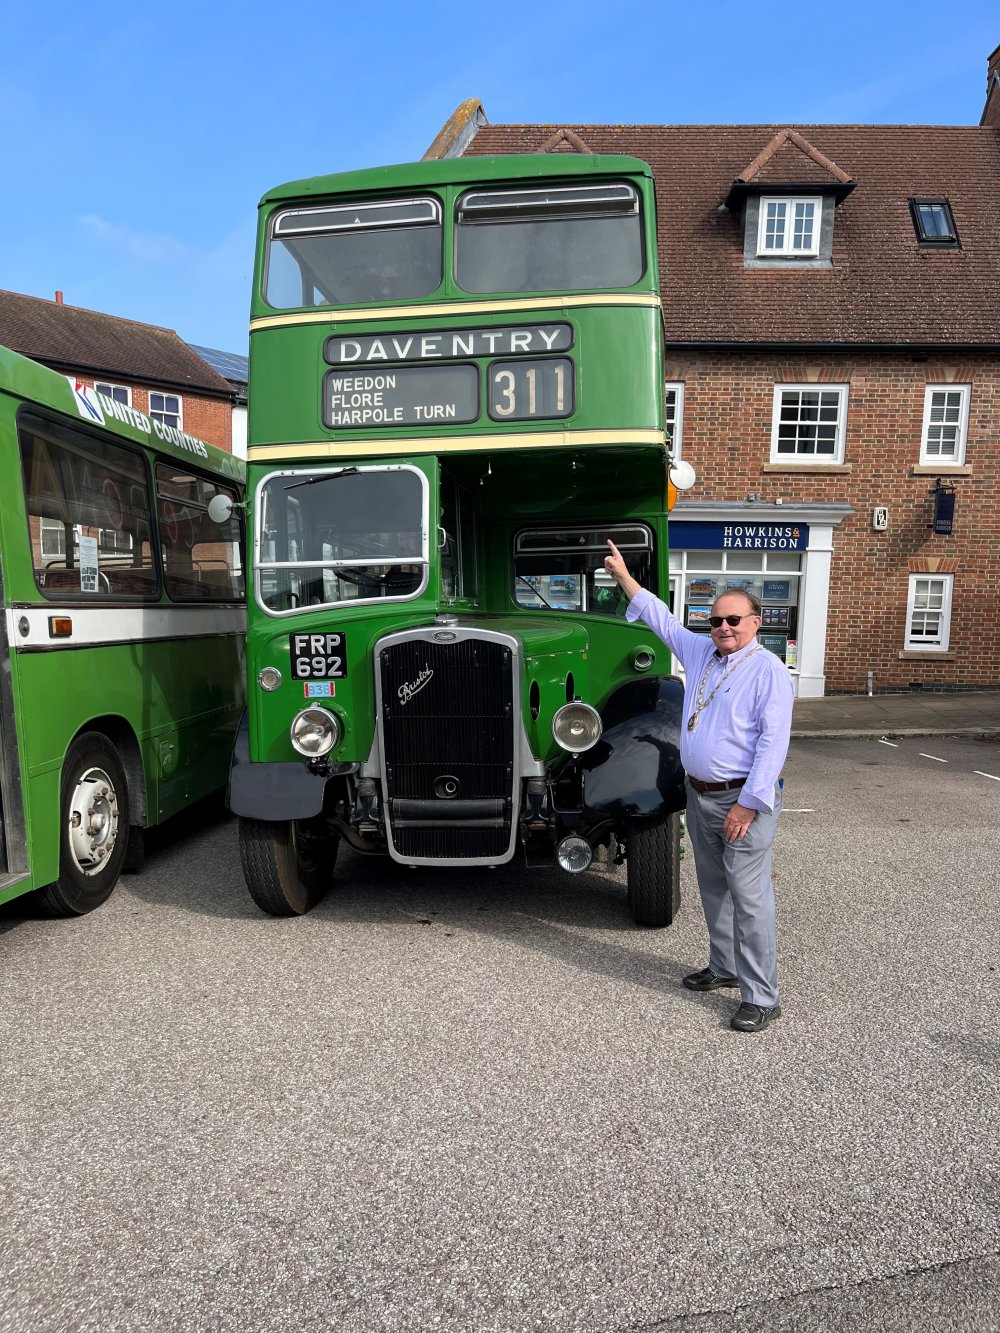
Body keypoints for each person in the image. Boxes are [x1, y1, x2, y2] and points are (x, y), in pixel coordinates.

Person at [603, 540, 795, 1033]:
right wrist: (625, 578)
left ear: (756, 623)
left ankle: (762, 995)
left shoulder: (768, 672)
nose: (724, 628)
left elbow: (772, 746)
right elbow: (662, 619)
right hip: (701, 794)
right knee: (713, 889)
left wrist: (748, 806)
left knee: (749, 897)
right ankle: (725, 968)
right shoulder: (704, 653)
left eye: (734, 620)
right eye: (716, 620)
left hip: (740, 800)